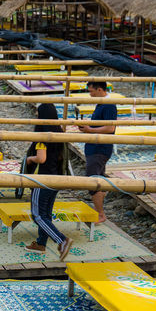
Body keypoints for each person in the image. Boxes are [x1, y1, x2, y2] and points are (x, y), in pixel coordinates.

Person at [24, 102, 73, 260]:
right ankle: (40, 243)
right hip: (56, 177)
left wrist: (30, 159)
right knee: (46, 214)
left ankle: (62, 240)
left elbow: (41, 158)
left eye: (38, 114)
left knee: (37, 215)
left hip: (42, 179)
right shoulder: (58, 131)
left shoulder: (42, 133)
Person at [77, 80, 117, 224]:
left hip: (100, 148)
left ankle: (100, 214)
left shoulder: (108, 105)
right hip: (95, 147)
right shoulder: (101, 104)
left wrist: (90, 130)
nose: (90, 94)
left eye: (91, 91)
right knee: (97, 179)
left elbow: (110, 128)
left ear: (100, 90)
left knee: (92, 181)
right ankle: (100, 207)